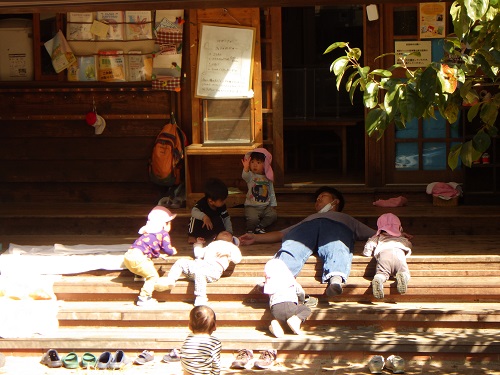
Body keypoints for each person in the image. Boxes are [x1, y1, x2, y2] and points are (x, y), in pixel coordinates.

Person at [239, 186, 376, 297]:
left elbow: (375, 233)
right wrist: (256, 238)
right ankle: (275, 279)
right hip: (307, 229)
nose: (318, 199)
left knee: (338, 246)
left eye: (323, 196)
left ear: (336, 202)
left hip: (336, 229)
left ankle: (335, 280)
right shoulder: (309, 218)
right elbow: (281, 234)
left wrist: (394, 235)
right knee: (292, 247)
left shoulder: (346, 218)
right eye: (317, 199)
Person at [157, 231, 242, 306]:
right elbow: (199, 254)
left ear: (233, 241)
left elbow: (237, 259)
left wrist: (228, 253)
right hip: (200, 265)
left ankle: (201, 297)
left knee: (200, 273)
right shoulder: (212, 244)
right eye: (222, 232)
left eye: (229, 234)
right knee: (181, 261)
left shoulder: (232, 247)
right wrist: (199, 244)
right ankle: (170, 280)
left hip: (213, 270)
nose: (225, 232)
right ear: (215, 238)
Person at [123, 206, 177, 307]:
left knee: (147, 263)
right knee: (152, 276)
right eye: (169, 223)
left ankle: (139, 276)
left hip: (129, 256)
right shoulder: (163, 233)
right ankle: (144, 297)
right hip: (139, 259)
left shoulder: (147, 233)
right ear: (164, 224)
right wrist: (172, 251)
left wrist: (158, 254)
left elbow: (147, 247)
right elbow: (167, 249)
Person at [363, 213, 412, 299]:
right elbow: (408, 245)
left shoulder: (377, 237)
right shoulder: (401, 239)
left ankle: (378, 279)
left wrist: (367, 253)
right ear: (400, 228)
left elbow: (368, 246)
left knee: (381, 273)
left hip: (384, 255)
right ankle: (402, 277)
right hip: (399, 254)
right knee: (404, 272)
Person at [263, 258, 312, 338]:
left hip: (276, 310)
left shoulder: (269, 284)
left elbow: (266, 292)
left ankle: (275, 324)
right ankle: (296, 319)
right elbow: (300, 292)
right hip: (291, 306)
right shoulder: (290, 280)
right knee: (306, 309)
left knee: (275, 318)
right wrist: (302, 300)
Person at [241, 148, 277, 234]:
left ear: (265, 165)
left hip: (265, 206)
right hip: (251, 206)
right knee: (252, 218)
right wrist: (245, 168)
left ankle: (260, 226)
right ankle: (250, 229)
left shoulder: (268, 178)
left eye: (258, 162)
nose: (254, 165)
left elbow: (271, 192)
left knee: (273, 215)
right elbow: (244, 176)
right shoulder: (251, 176)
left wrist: (273, 204)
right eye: (252, 162)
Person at [188, 177, 233, 244]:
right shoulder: (202, 203)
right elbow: (193, 211)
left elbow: (226, 218)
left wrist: (229, 232)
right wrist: (204, 217)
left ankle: (216, 236)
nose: (225, 202)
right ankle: (192, 236)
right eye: (222, 200)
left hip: (211, 227)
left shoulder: (222, 206)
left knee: (219, 219)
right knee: (194, 218)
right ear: (211, 201)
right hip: (202, 226)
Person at [181, 305, 221, 375]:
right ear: (214, 326)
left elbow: (184, 358)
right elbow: (216, 364)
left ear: (189, 326)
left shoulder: (188, 338)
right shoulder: (214, 342)